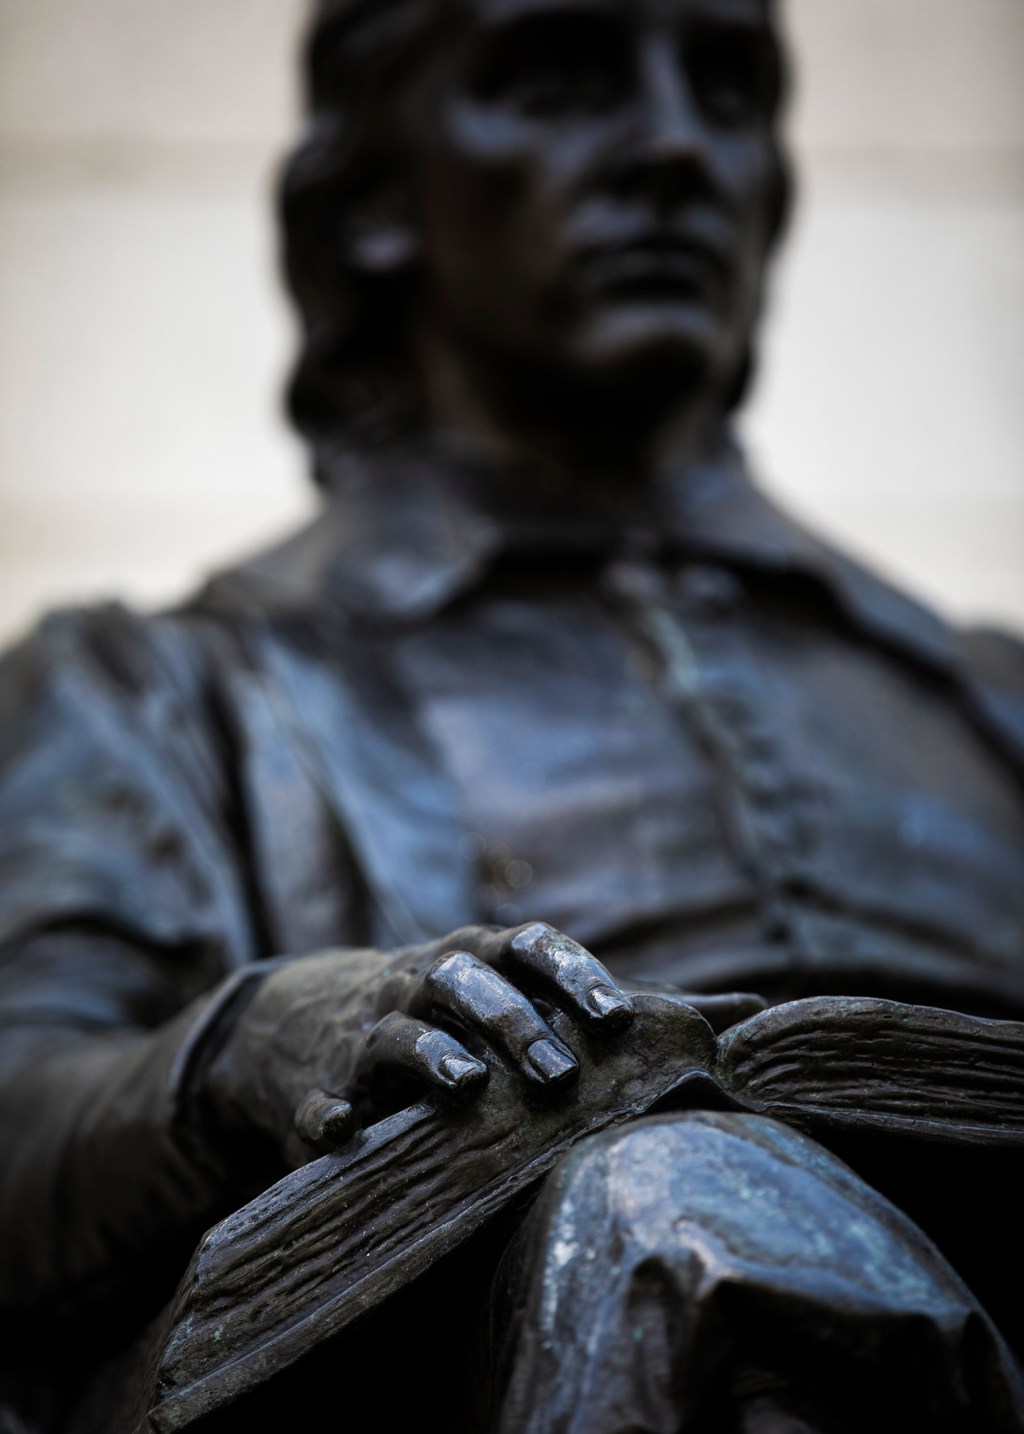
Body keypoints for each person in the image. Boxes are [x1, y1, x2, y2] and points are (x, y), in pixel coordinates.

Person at [1, 0, 1023, 1428]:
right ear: (372, 201)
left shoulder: (992, 698)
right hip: (486, 1330)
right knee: (687, 1216)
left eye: (726, 88)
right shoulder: (163, 686)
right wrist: (246, 1044)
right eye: (555, 77)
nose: (674, 147)